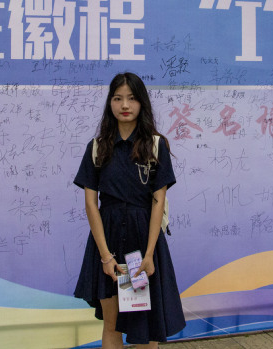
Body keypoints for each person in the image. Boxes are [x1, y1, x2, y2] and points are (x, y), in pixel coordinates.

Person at [74, 72, 186, 348]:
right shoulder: (97, 147)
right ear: (110, 103)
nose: (125, 105)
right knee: (111, 324)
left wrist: (149, 255)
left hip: (143, 242)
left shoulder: (156, 145)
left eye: (132, 98)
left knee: (145, 327)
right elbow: (91, 204)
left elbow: (158, 201)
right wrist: (105, 257)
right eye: (118, 98)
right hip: (107, 241)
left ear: (142, 102)